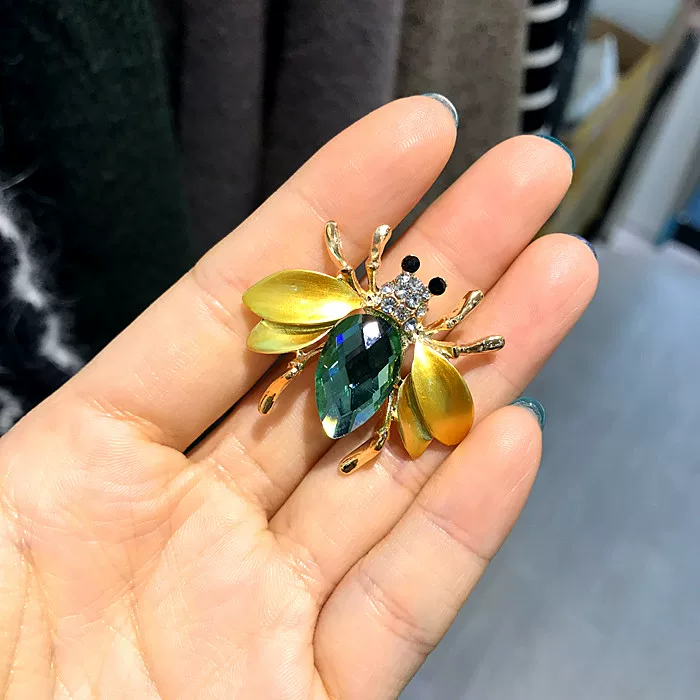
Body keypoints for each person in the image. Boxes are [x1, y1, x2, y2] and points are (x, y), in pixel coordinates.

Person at [0, 96, 597, 699]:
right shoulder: (396, 325)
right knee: (332, 363)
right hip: (355, 353)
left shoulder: (394, 330)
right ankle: (342, 425)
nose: (415, 284)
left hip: (364, 357)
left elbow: (416, 327)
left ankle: (349, 429)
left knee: (354, 376)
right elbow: (397, 315)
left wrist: (406, 288)